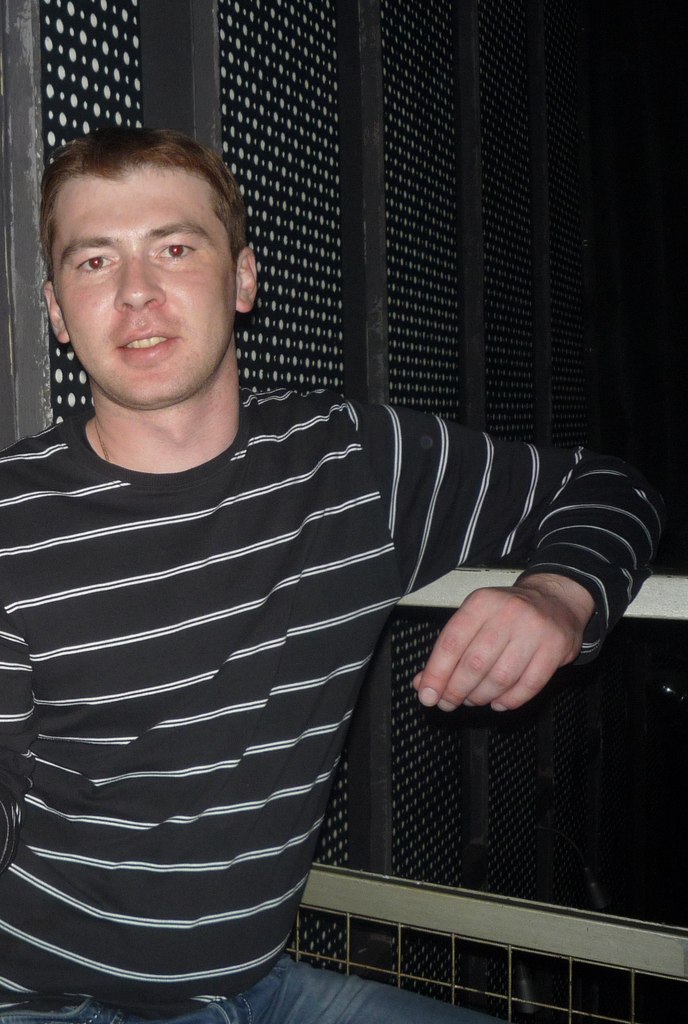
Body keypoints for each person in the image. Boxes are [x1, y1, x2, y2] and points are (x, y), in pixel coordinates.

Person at [0, 127, 663, 1024]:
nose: (137, 293)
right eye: (94, 262)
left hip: (255, 987)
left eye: (176, 248)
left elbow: (610, 489)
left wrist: (556, 595)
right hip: (51, 1000)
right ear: (55, 309)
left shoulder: (347, 465)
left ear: (243, 279)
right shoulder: (12, 520)